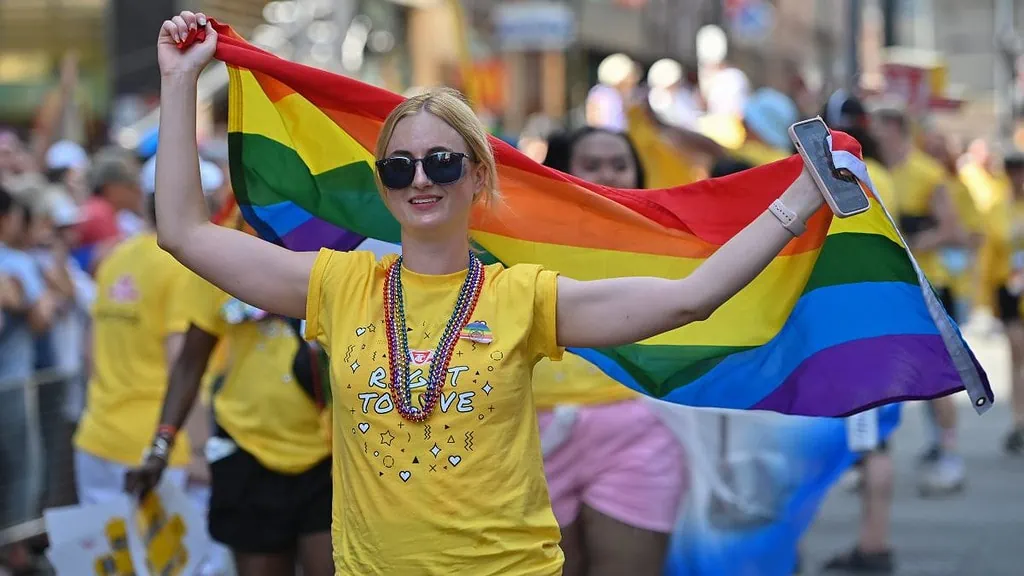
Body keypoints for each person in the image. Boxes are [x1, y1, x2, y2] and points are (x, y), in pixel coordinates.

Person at [154, 11, 826, 574]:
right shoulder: (338, 284)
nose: (422, 179)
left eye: (443, 162)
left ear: (477, 179)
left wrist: (804, 194)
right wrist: (181, 79)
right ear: (384, 187)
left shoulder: (521, 297)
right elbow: (183, 231)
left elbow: (693, 297)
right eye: (400, 165)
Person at [126, 219, 334, 574]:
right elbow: (190, 362)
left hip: (329, 458)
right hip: (247, 456)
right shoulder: (221, 259)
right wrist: (161, 446)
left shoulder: (333, 254)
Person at [536, 127, 685, 576]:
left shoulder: (665, 236)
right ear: (564, 171)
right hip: (530, 435)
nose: (608, 174)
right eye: (592, 164)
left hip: (635, 432)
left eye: (619, 164)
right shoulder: (517, 234)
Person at [818, 91, 901, 575]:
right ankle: (873, 545)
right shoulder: (882, 172)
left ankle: (874, 548)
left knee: (871, 439)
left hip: (855, 320)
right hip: (878, 314)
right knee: (872, 437)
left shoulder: (834, 175)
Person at [986, 151, 1024, 453]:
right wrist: (986, 300)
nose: (1017, 177)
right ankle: (1017, 420)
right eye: (1012, 171)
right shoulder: (999, 207)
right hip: (1009, 288)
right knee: (1015, 352)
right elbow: (990, 255)